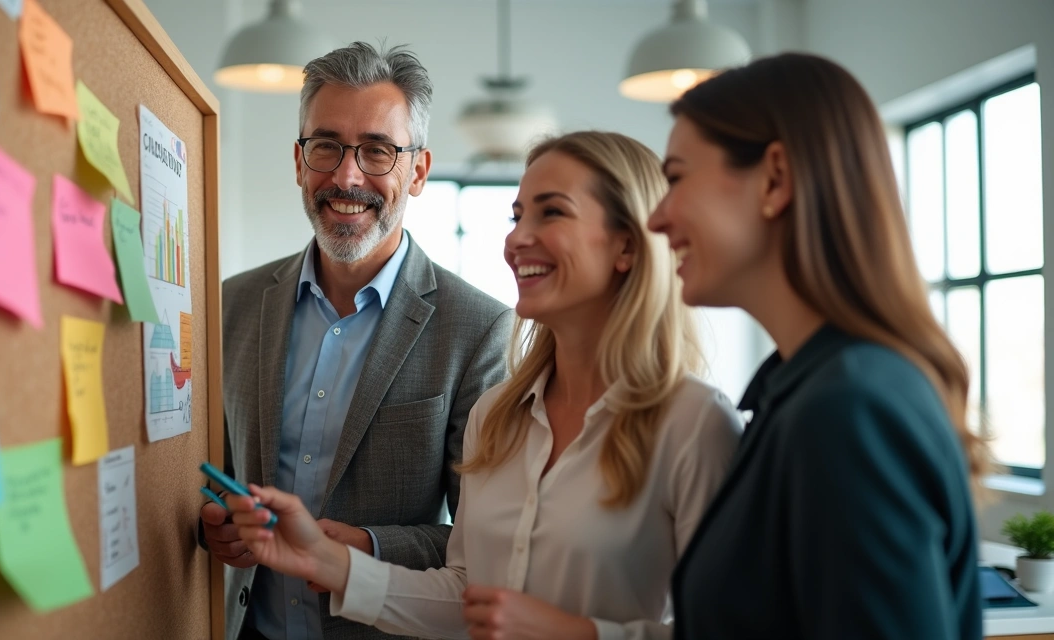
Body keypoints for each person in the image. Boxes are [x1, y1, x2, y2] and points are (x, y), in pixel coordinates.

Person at [226, 131, 744, 640]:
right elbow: (465, 595)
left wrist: (578, 634)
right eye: (517, 217)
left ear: (627, 245)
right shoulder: (497, 417)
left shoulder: (696, 426)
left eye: (552, 212)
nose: (516, 240)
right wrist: (330, 561)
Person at [646, 52, 986, 639]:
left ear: (775, 179)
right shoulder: (808, 390)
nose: (658, 217)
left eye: (676, 178)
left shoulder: (847, 409)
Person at [201, 42, 514, 640]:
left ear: (417, 172)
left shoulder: (476, 329)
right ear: (299, 162)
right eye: (327, 147)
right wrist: (210, 519)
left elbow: (489, 549)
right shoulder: (231, 305)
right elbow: (211, 471)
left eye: (377, 151)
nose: (347, 176)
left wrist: (364, 546)